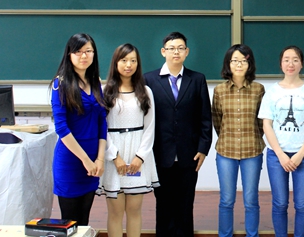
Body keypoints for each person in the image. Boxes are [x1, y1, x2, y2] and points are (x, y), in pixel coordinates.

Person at [144, 31, 212, 237]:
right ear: (163, 51)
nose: (176, 52)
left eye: (180, 48)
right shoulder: (149, 79)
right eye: (172, 48)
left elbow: (205, 117)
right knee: (163, 205)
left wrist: (203, 149)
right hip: (160, 154)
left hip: (189, 154)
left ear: (187, 52)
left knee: (185, 205)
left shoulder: (197, 79)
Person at [258, 45, 304, 237]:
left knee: (302, 204)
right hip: (276, 155)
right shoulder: (272, 92)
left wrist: (300, 154)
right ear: (281, 64)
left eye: (295, 59)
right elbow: (267, 125)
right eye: (286, 59)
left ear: (301, 64)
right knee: (279, 203)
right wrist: (280, 154)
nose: (291, 64)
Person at [98, 43, 159, 237]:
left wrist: (139, 157)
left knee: (134, 210)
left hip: (136, 157)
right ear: (116, 63)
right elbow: (102, 128)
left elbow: (150, 127)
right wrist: (114, 157)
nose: (128, 65)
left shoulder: (146, 91)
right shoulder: (105, 91)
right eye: (124, 60)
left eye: (133, 60)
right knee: (115, 212)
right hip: (114, 157)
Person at [50, 33, 107, 226]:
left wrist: (99, 159)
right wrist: (86, 160)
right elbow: (61, 128)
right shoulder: (60, 84)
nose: (84, 56)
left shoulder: (96, 82)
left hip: (93, 162)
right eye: (78, 51)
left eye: (88, 51)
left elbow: (102, 122)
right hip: (71, 161)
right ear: (69, 54)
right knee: (70, 223)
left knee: (84, 221)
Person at [212, 44, 265, 237]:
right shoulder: (219, 90)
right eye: (235, 60)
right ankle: (225, 234)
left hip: (252, 151)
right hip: (226, 151)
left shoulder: (259, 89)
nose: (239, 64)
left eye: (243, 61)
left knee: (251, 200)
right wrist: (229, 137)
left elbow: (262, 121)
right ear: (228, 64)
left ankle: (252, 234)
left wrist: (253, 137)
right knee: (227, 200)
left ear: (250, 64)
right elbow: (217, 120)